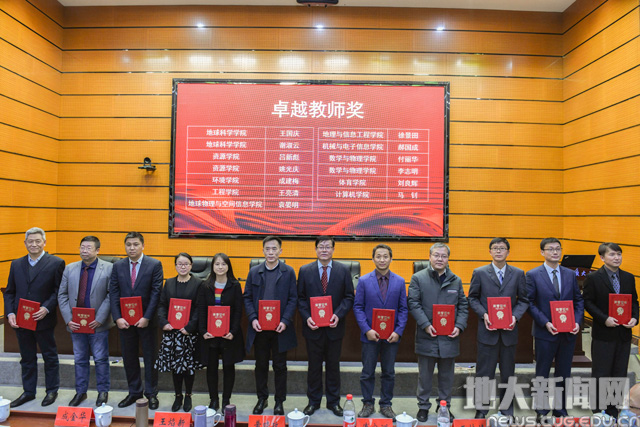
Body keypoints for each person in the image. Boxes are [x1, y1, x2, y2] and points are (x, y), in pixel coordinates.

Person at [467, 238, 529, 419]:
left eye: (502, 248)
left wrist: (515, 316)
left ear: (508, 252)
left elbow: (524, 300)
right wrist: (484, 314)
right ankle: (481, 410)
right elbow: (472, 298)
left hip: (509, 332)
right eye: (495, 248)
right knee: (484, 373)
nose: (499, 251)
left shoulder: (518, 273)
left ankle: (507, 409)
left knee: (508, 373)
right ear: (490, 252)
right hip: (487, 332)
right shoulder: (480, 273)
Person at [4, 227, 65, 408]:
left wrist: (46, 308)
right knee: (27, 357)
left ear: (44, 242)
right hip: (21, 320)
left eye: (38, 241)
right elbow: (10, 292)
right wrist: (10, 313)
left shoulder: (56, 263)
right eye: (30, 241)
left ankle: (52, 390)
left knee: (50, 356)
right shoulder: (16, 264)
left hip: (43, 318)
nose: (34, 244)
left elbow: (58, 291)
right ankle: (28, 392)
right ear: (25, 243)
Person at [407, 243, 468, 423]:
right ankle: (423, 407)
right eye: (436, 255)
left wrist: (459, 326)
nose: (440, 259)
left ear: (448, 259)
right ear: (430, 257)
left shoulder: (456, 280)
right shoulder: (418, 278)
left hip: (449, 337)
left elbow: (463, 306)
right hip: (427, 335)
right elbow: (413, 303)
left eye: (443, 256)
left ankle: (444, 407)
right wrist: (425, 324)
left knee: (447, 377)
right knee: (425, 376)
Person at [527, 237, 584, 421]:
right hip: (545, 332)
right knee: (542, 372)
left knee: (564, 372)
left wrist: (577, 322)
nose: (555, 252)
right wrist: (545, 322)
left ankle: (560, 410)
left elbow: (578, 300)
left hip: (568, 332)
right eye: (550, 249)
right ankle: (541, 411)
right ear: (542, 252)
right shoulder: (533, 274)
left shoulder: (570, 274)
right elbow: (530, 303)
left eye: (558, 249)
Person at [297, 236, 355, 417]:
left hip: (334, 328)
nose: (324, 250)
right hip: (312, 328)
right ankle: (313, 402)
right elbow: (300, 298)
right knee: (313, 367)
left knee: (333, 366)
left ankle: (333, 402)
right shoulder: (305, 270)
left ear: (333, 249)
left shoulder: (343, 270)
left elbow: (349, 297)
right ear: (315, 249)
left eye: (327, 247)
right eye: (321, 247)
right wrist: (307, 317)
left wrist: (338, 314)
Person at [583, 242, 638, 418]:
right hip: (603, 333)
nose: (616, 258)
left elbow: (634, 302)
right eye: (612, 254)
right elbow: (588, 302)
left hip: (623, 334)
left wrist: (635, 318)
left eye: (619, 254)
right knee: (601, 373)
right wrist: (604, 318)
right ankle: (598, 410)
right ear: (602, 257)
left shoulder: (628, 277)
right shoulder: (593, 278)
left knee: (619, 373)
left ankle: (613, 410)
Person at [353, 244, 408, 420]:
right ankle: (367, 403)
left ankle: (386, 404)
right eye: (378, 256)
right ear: (373, 259)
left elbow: (403, 309)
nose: (382, 260)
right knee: (367, 372)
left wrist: (398, 331)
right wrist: (366, 329)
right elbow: (358, 307)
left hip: (391, 336)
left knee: (389, 372)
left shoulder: (400, 281)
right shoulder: (363, 281)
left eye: (385, 256)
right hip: (370, 336)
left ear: (391, 259)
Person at [243, 236, 298, 416]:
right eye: (268, 249)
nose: (271, 252)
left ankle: (279, 401)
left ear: (280, 251)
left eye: (274, 249)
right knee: (261, 365)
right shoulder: (254, 272)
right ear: (263, 251)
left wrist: (285, 320)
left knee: (280, 366)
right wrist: (253, 318)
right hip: (259, 328)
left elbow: (293, 298)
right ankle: (262, 398)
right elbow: (247, 297)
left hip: (280, 328)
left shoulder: (288, 272)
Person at [109, 231, 163, 409]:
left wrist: (146, 317)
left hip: (147, 321)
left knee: (150, 358)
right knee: (129, 358)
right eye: (128, 245)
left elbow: (156, 293)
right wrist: (117, 317)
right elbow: (113, 292)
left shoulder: (154, 264)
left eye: (135, 244)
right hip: (125, 322)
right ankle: (134, 392)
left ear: (143, 246)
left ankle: (151, 393)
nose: (132, 248)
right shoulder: (118, 266)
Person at [58, 235, 114, 407]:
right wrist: (68, 320)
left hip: (98, 324)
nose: (84, 250)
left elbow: (111, 295)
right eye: (82, 247)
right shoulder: (70, 268)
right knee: (80, 359)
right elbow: (62, 295)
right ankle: (80, 392)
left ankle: (103, 392)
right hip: (76, 324)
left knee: (100, 359)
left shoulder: (109, 268)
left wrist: (100, 318)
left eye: (88, 248)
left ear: (97, 250)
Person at [156, 253, 204, 412]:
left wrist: (190, 327)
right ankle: (178, 395)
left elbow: (199, 308)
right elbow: (162, 305)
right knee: (175, 366)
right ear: (175, 266)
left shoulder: (198, 283)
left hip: (188, 333)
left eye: (186, 264)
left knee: (188, 366)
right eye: (180, 264)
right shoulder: (169, 283)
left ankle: (188, 395)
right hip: (172, 332)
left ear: (191, 266)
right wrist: (164, 322)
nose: (183, 267)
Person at [198, 253, 245, 411]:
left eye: (223, 264)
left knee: (228, 368)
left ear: (228, 266)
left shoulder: (235, 285)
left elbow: (238, 311)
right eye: (217, 264)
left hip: (229, 335)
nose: (220, 267)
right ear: (212, 266)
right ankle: (214, 400)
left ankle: (226, 400)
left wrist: (233, 331)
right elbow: (201, 309)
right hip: (210, 335)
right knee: (211, 368)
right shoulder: (205, 286)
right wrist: (203, 331)